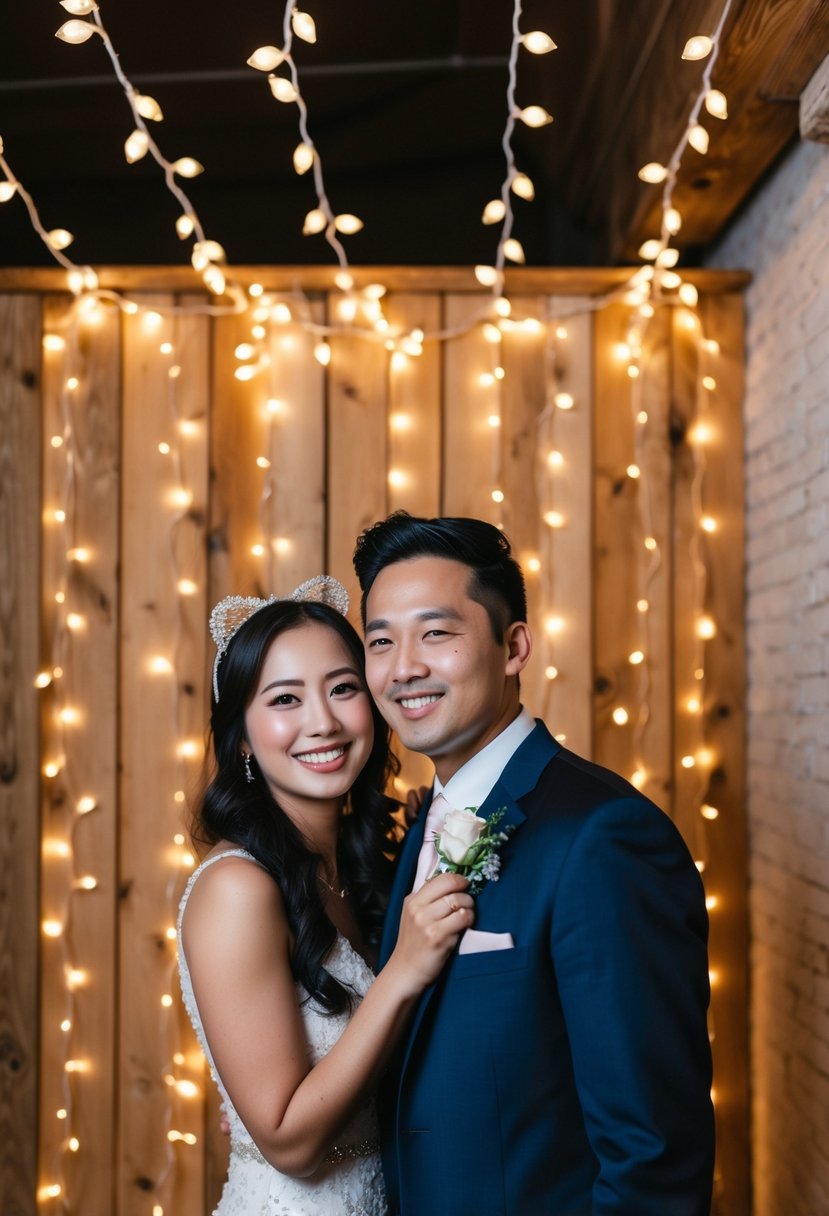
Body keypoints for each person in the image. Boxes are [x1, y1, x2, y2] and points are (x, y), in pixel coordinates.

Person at [352, 513, 716, 1216]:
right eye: (380, 641)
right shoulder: (426, 818)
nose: (403, 669)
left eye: (436, 633)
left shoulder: (604, 837)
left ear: (513, 645)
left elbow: (653, 1155)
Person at [177, 577, 474, 1216]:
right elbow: (289, 1141)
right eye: (285, 699)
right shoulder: (237, 888)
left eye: (343, 688)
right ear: (244, 738)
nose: (323, 721)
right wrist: (402, 974)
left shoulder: (362, 864)